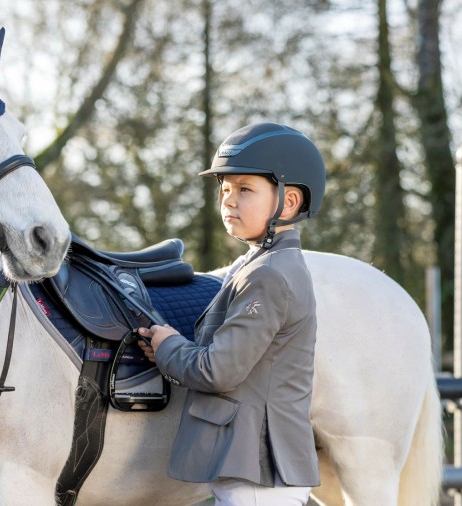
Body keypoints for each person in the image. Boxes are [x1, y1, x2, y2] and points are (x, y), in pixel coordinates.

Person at [136, 122, 326, 506]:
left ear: (288, 202)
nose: (228, 200)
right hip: (250, 468)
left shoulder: (269, 275)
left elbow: (219, 371)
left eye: (244, 189)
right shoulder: (259, 263)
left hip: (258, 470)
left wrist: (169, 345)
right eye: (224, 189)